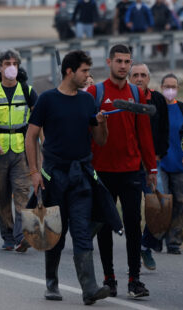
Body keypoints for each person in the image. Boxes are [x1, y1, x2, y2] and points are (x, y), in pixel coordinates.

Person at [25, 50, 113, 305]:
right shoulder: (47, 100)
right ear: (69, 72)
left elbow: (100, 141)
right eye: (84, 71)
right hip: (54, 176)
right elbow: (31, 137)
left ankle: (89, 289)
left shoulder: (88, 101)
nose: (88, 76)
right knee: (55, 234)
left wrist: (102, 123)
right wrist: (34, 172)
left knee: (82, 232)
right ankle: (52, 283)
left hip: (82, 176)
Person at [85, 45, 156, 299]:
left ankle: (135, 279)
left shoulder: (137, 93)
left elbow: (144, 134)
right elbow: (86, 131)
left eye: (127, 61)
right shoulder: (96, 92)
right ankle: (109, 278)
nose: (123, 66)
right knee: (104, 226)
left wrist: (152, 168)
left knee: (133, 226)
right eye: (119, 61)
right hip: (101, 172)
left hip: (130, 171)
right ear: (109, 62)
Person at [0, 49, 39, 252]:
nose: (11, 67)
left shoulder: (28, 91)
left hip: (21, 150)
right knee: (1, 195)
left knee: (22, 193)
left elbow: (39, 121)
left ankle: (21, 236)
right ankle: (7, 235)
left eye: (14, 63)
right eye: (7, 63)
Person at [139, 73, 183, 264]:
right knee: (161, 203)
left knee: (179, 203)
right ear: (161, 87)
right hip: (159, 163)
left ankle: (174, 242)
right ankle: (156, 238)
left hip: (180, 164)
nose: (170, 89)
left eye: (173, 86)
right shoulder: (157, 107)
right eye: (167, 86)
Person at [129, 63, 169, 163]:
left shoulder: (158, 99)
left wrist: (159, 154)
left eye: (143, 75)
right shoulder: (123, 100)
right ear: (129, 78)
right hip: (128, 160)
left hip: (153, 159)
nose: (139, 79)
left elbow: (164, 128)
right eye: (135, 75)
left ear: (148, 78)